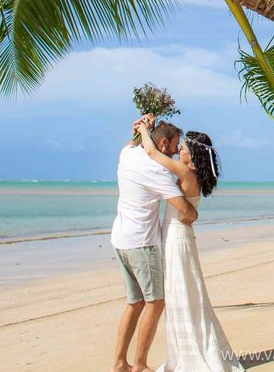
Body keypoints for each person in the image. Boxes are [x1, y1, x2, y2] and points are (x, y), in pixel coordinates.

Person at [136, 115, 244, 372]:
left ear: (192, 154)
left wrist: (143, 129)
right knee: (186, 292)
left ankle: (189, 355)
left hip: (176, 238)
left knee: (181, 294)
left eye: (183, 148)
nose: (179, 150)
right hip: (181, 237)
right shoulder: (192, 174)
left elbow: (152, 152)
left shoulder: (185, 172)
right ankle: (192, 349)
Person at [110, 120, 199, 372]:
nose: (173, 152)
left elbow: (133, 142)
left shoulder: (127, 154)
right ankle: (139, 365)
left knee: (135, 302)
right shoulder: (157, 171)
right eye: (172, 147)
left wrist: (142, 127)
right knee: (156, 302)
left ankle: (119, 363)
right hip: (142, 244)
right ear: (162, 143)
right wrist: (194, 214)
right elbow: (183, 208)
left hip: (120, 240)